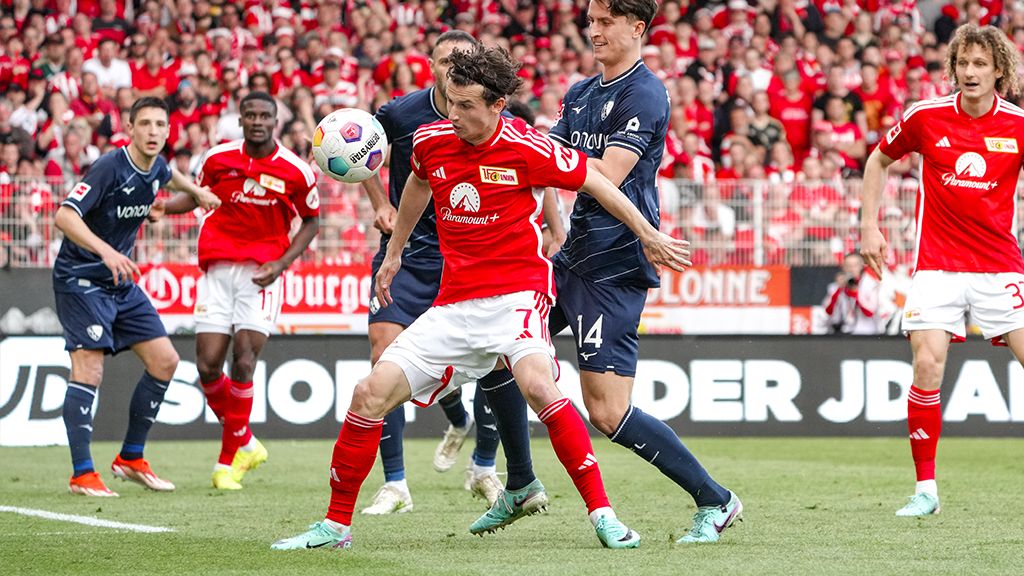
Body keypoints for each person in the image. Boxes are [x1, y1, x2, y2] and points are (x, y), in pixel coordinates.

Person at [271, 44, 691, 551]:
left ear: (496, 105)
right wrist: (394, 252)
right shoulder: (430, 140)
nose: (454, 115)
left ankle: (604, 516)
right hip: (453, 305)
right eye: (450, 102)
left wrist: (647, 233)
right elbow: (417, 188)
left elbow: (598, 183)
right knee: (368, 394)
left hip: (517, 295)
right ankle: (335, 527)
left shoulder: (528, 146)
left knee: (539, 385)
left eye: (466, 105)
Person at [476, 0, 742, 545]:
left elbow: (604, 172)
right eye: (590, 21)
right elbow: (546, 163)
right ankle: (522, 483)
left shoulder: (644, 92)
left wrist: (542, 159)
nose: (592, 31)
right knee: (497, 349)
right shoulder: (580, 93)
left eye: (604, 22)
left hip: (615, 265)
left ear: (637, 28)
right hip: (571, 256)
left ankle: (716, 499)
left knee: (607, 411)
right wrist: (550, 219)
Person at [860, 24, 1024, 517]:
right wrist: (870, 226)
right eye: (963, 63)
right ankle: (926, 489)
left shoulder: (1017, 124)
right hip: (937, 264)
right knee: (927, 364)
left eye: (980, 64)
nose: (970, 73)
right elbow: (878, 161)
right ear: (953, 67)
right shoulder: (926, 117)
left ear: (999, 70)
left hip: (999, 265)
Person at [357, 30, 505, 515]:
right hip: (406, 256)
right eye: (445, 62)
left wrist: (552, 224)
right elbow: (359, 155)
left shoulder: (489, 113)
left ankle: (484, 464)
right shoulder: (400, 114)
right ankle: (395, 484)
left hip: (468, 257)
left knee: (494, 362)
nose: (453, 69)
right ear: (431, 65)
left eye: (462, 61)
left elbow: (532, 162)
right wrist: (381, 203)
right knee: (385, 355)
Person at [53, 96, 219, 497]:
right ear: (130, 128)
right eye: (144, 124)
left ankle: (130, 457)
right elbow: (64, 215)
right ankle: (82, 473)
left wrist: (197, 191)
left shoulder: (157, 165)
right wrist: (107, 251)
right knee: (88, 371)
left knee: (165, 361)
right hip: (82, 278)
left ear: (167, 130)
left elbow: (170, 176)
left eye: (160, 125)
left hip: (121, 282)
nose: (153, 132)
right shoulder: (111, 166)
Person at [160, 91, 320, 490]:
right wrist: (161, 206)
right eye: (249, 115)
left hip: (261, 274)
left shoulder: (295, 171)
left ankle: (226, 460)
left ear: (275, 120)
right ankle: (246, 441)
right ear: (241, 120)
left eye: (264, 115)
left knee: (244, 360)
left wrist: (282, 263)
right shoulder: (217, 159)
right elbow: (197, 198)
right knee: (207, 365)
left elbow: (312, 221)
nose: (257, 121)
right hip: (217, 270)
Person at [822, 253, 887, 335]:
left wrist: (855, 293)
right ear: (843, 267)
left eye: (855, 265)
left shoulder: (870, 284)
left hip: (866, 332)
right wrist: (839, 289)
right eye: (848, 266)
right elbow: (828, 311)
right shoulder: (836, 286)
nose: (851, 269)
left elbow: (869, 312)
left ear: (861, 267)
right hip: (844, 331)